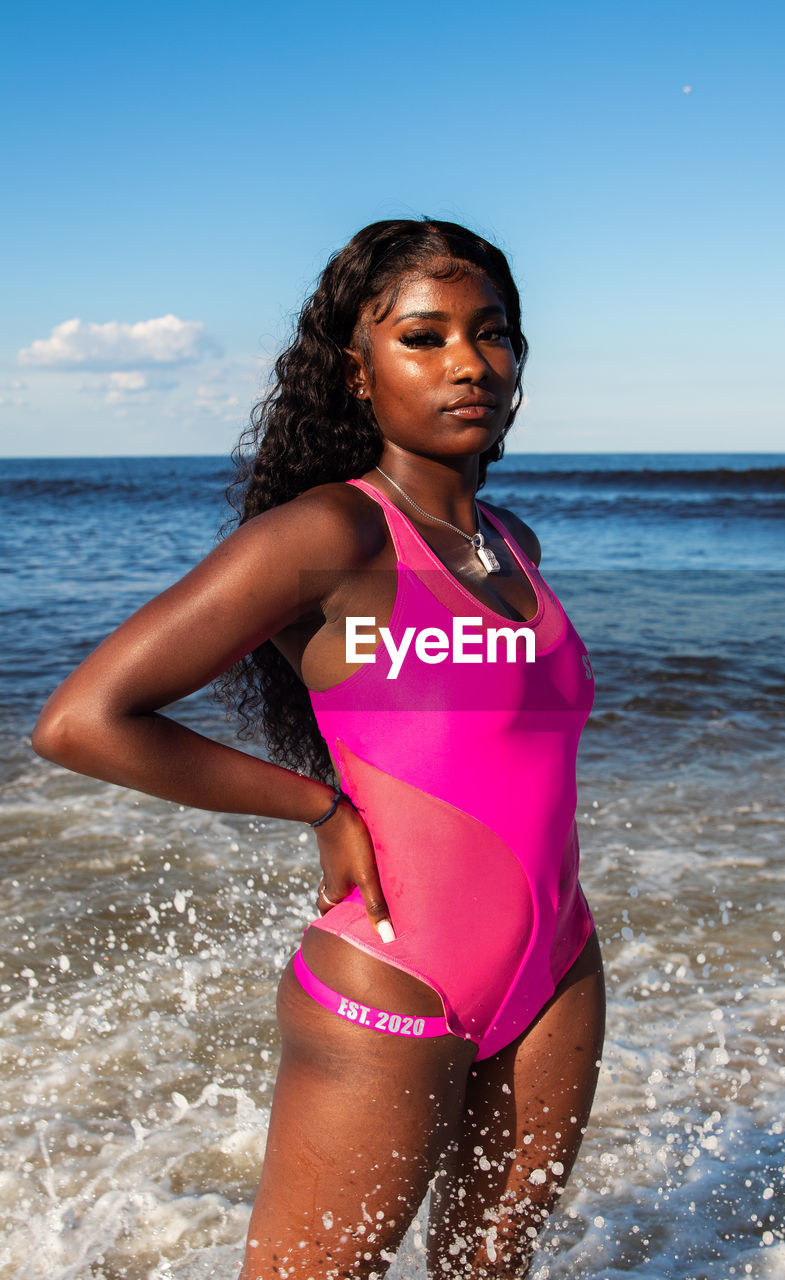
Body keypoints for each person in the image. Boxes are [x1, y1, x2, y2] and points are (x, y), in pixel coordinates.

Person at [32, 218, 606, 1280]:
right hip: (392, 981)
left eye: (493, 333)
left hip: (558, 965)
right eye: (424, 338)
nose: (470, 363)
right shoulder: (329, 535)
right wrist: (318, 807)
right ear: (357, 370)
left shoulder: (513, 541)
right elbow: (83, 718)